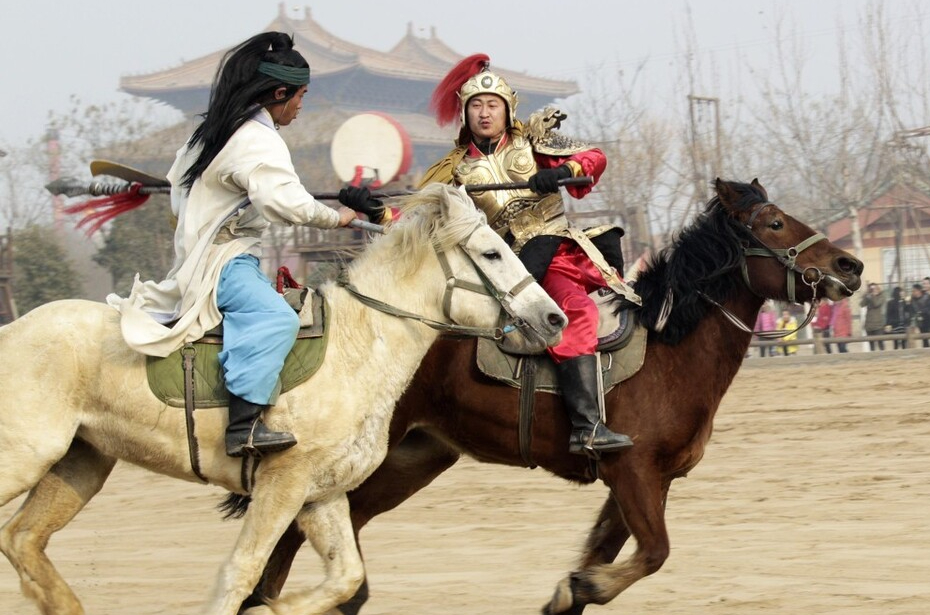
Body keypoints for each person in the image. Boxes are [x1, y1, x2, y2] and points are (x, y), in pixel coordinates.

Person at [107, 32, 356, 457]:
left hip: (211, 256)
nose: (300, 105)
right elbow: (287, 203)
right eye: (300, 96)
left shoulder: (213, 132)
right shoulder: (257, 140)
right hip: (226, 262)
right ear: (279, 92)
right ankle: (245, 427)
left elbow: (177, 193)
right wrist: (337, 217)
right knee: (276, 318)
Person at [392, 54, 634, 457]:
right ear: (464, 113)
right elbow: (411, 217)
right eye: (476, 106)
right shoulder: (452, 171)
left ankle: (588, 426)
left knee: (575, 310)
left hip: (555, 252)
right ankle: (582, 426)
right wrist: (372, 208)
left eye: (492, 105)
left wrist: (561, 170)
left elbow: (595, 158)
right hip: (502, 265)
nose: (484, 114)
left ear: (508, 110)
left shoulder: (534, 141)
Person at [860, 282, 886, 350]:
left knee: (880, 343)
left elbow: (876, 304)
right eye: (871, 289)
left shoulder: (881, 296)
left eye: (874, 288)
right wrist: (866, 295)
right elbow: (862, 304)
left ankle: (883, 356)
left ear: (878, 288)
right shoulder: (869, 296)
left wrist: (872, 295)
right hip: (869, 325)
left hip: (878, 325)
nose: (873, 290)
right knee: (871, 344)